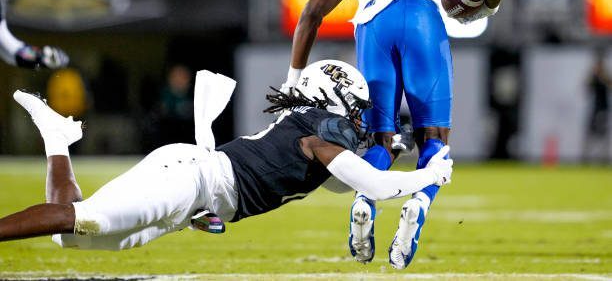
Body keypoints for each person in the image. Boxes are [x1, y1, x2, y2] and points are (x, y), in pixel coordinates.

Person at [0, 60, 453, 256]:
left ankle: (56, 137)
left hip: (194, 202)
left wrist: (390, 155)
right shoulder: (313, 131)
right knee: (86, 220)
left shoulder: (318, 142)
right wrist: (430, 172)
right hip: (189, 180)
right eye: (352, 111)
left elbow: (347, 182)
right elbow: (371, 187)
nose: (356, 123)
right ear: (328, 100)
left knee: (72, 235)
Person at [280, 0, 506, 268]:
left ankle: (364, 201)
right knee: (434, 138)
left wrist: (293, 77)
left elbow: (312, 12)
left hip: (372, 27)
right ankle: (418, 204)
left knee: (379, 141)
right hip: (423, 21)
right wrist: (486, 9)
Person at [0, 0, 69, 69]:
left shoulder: (39, 61)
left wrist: (43, 59)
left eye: (53, 57)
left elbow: (21, 55)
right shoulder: (38, 60)